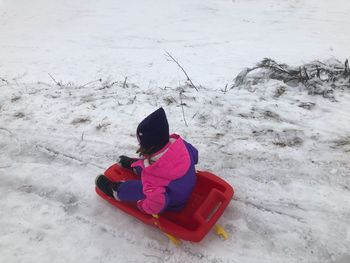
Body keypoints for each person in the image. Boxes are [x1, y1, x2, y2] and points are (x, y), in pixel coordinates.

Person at [95, 107, 198, 215]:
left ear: (147, 147)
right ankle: (135, 167)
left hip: (174, 203)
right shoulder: (182, 145)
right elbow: (195, 156)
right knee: (158, 164)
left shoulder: (152, 176)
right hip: (187, 185)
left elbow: (158, 203)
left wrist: (142, 206)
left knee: (141, 188)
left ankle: (116, 191)